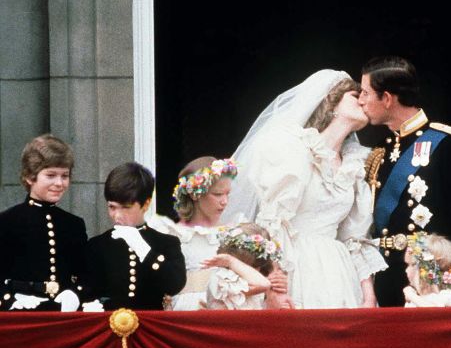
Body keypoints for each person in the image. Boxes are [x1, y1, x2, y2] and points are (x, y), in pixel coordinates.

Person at [223, 69, 387, 309]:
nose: (363, 101)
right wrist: (275, 281)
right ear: (332, 104)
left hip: (339, 272)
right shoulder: (294, 149)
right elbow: (274, 222)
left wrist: (368, 294)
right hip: (296, 266)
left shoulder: (354, 164)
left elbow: (354, 237)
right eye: (355, 95)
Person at [358, 56, 451, 307]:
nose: (361, 101)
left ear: (388, 99)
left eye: (366, 93)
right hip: (385, 277)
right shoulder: (380, 152)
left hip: (428, 282)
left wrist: (447, 280)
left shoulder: (446, 144)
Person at [151, 156, 290, 310]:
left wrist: (272, 277)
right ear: (195, 194)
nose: (224, 201)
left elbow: (261, 271)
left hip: (234, 306)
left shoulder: (237, 230)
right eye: (217, 194)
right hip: (189, 309)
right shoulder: (171, 233)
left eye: (227, 194)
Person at [0, 134, 87, 312]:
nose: (59, 183)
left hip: (63, 317)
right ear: (30, 177)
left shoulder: (74, 224)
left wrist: (74, 294)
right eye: (51, 175)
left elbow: (86, 274)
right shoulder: (7, 221)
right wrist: (10, 300)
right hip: (21, 318)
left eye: (65, 176)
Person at [84, 162, 186, 310]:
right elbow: (88, 291)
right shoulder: (97, 245)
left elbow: (175, 285)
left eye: (126, 207)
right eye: (112, 207)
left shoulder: (166, 243)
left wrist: (144, 250)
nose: (117, 216)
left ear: (146, 204)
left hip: (150, 328)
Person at [204, 223, 282, 310]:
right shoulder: (223, 279)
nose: (257, 270)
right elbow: (264, 284)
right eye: (253, 266)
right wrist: (230, 261)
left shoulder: (255, 279)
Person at [402, 232, 451, 307]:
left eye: (412, 265)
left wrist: (411, 296)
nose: (406, 270)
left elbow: (435, 311)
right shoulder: (413, 302)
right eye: (407, 265)